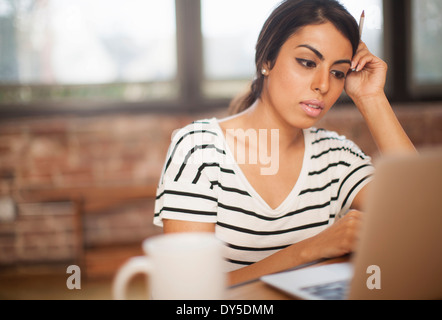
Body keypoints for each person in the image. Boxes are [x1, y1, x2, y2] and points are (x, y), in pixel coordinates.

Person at [153, 0, 416, 286]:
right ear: (267, 60)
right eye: (307, 62)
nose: (323, 85)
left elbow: (425, 214)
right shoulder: (199, 149)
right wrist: (310, 249)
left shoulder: (337, 157)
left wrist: (370, 97)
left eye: (338, 72)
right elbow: (186, 290)